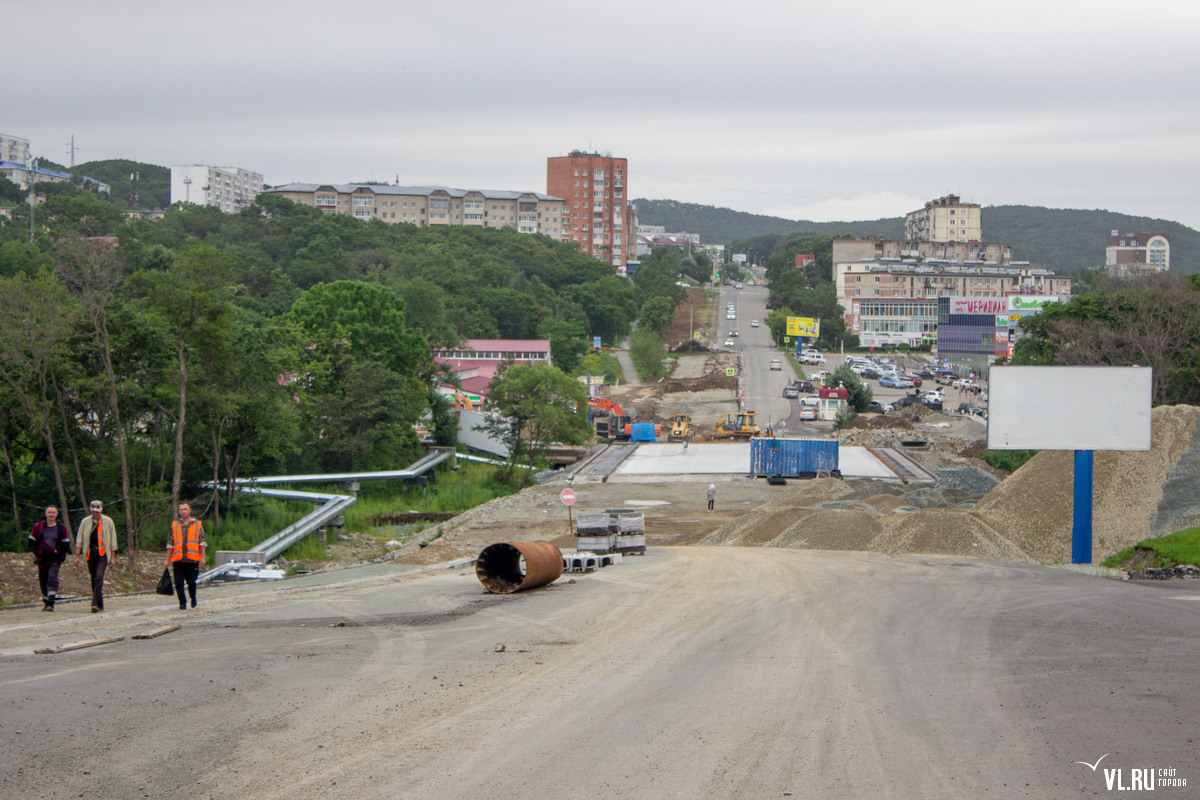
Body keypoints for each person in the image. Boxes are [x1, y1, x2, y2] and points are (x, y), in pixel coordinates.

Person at [74, 500, 118, 613]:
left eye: (97, 511)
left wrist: (112, 558)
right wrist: (77, 556)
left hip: (103, 554)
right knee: (93, 578)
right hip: (90, 553)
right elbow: (79, 539)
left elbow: (113, 540)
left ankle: (94, 603)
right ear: (91, 510)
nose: (95, 513)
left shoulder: (108, 522)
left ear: (101, 510)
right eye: (93, 511)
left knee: (99, 577)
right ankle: (100, 603)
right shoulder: (85, 522)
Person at [28, 506, 71, 611]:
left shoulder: (62, 528)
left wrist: (59, 552)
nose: (51, 514)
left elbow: (66, 543)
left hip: (55, 558)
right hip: (42, 558)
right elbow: (31, 541)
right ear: (45, 514)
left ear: (56, 514)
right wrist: (37, 553)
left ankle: (51, 602)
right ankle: (46, 601)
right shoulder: (38, 527)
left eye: (53, 512)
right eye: (49, 512)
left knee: (52, 577)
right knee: (43, 579)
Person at [165, 502, 206, 610]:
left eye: (185, 509)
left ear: (189, 510)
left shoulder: (197, 524)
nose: (183, 511)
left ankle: (193, 597)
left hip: (192, 560)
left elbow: (202, 542)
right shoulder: (175, 525)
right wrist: (167, 560)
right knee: (178, 582)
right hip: (178, 559)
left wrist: (203, 557)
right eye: (181, 509)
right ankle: (182, 603)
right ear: (179, 512)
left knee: (191, 582)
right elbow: (170, 543)